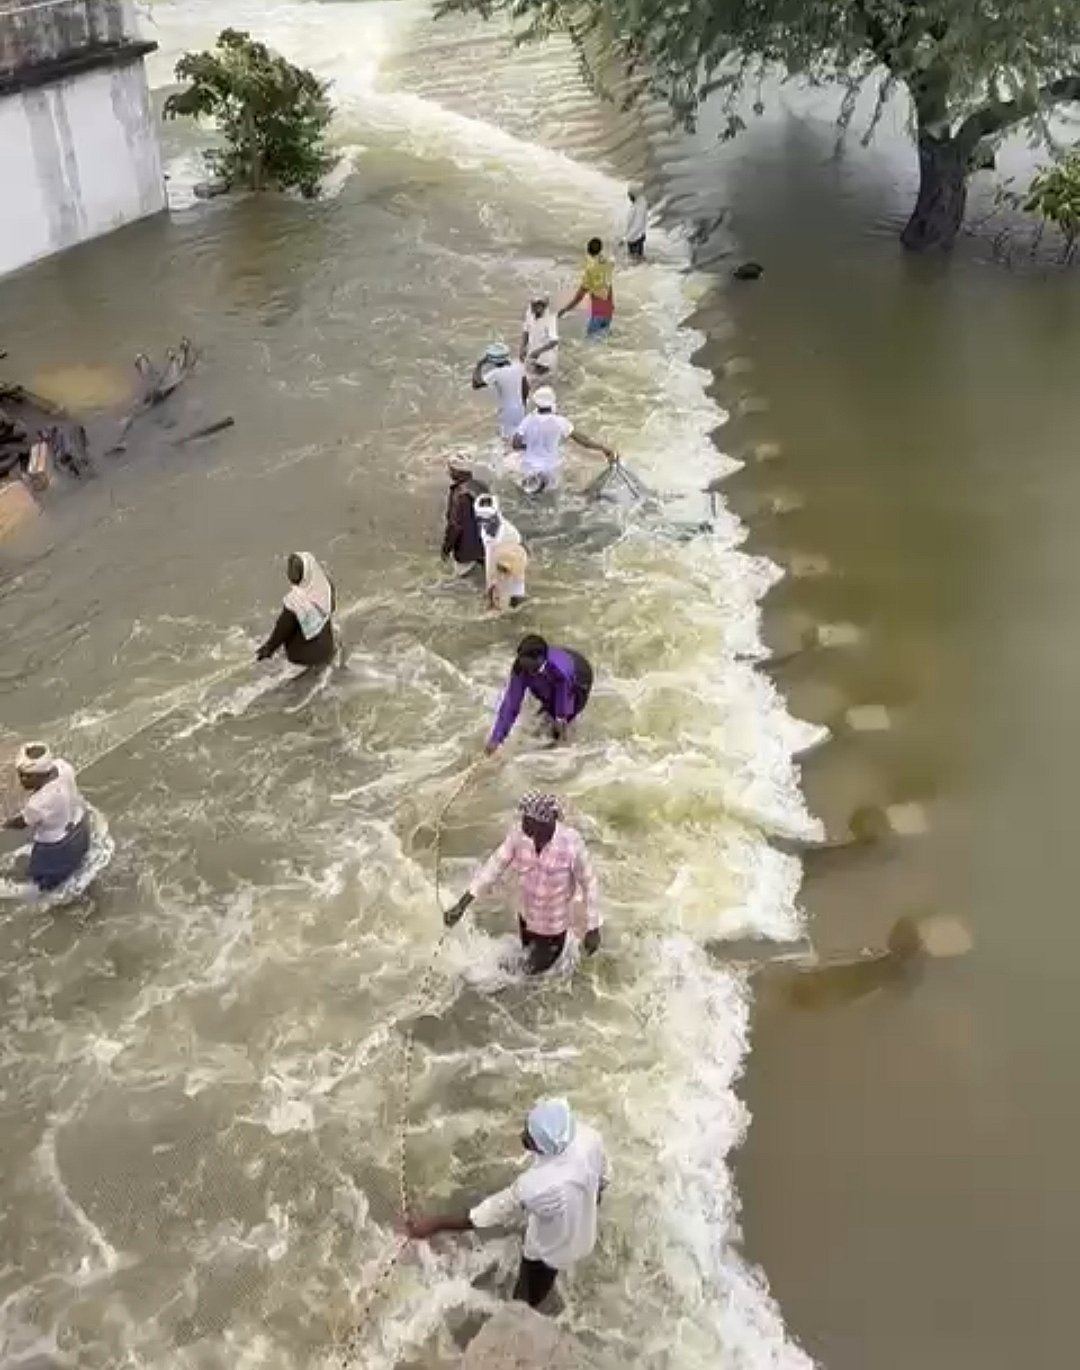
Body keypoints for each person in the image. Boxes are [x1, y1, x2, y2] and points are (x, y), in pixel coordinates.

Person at [407, 1098, 607, 1310]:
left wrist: (436, 1224)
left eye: (529, 1138)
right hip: (585, 1232)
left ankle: (521, 1317)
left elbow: (488, 1213)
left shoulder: (536, 1186)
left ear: (543, 1147)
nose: (522, 1136)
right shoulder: (590, 1138)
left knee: (527, 1293)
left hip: (550, 1250)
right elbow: (603, 1178)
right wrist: (582, 1205)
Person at [444, 791, 602, 973]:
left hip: (553, 926)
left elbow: (589, 883)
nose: (523, 822)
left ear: (543, 823)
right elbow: (493, 867)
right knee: (525, 963)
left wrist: (593, 928)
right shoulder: (518, 836)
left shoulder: (571, 844)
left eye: (528, 820)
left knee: (528, 976)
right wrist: (462, 905)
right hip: (526, 918)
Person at [2, 743, 90, 891]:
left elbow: (23, 822)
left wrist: (5, 823)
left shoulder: (38, 802)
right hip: (79, 828)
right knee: (75, 870)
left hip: (55, 847)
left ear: (42, 774)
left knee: (41, 884)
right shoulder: (63, 767)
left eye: (28, 776)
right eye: (21, 774)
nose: (22, 780)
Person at [486, 634, 594, 753]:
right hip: (556, 662)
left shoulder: (559, 672)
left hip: (579, 676)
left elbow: (563, 703)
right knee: (541, 720)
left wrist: (560, 719)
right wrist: (496, 739)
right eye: (524, 667)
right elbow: (511, 705)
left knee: (557, 732)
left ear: (540, 660)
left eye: (530, 669)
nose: (527, 672)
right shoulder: (521, 668)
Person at [511, 386, 616, 493]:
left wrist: (533, 446)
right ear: (552, 403)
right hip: (550, 469)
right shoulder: (560, 422)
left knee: (528, 491)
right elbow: (584, 442)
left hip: (528, 466)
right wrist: (605, 449)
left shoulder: (528, 420)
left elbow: (515, 445)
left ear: (537, 403)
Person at [256, 552, 337, 668]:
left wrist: (266, 650)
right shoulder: (326, 586)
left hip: (303, 661)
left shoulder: (294, 602)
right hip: (327, 649)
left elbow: (280, 633)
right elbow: (332, 608)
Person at [474, 493, 527, 610]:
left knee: (514, 601)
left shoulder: (509, 534)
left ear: (497, 515)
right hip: (494, 565)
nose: (484, 524)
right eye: (480, 520)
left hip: (510, 570)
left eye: (488, 520)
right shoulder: (484, 530)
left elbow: (521, 555)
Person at [441, 456, 489, 575]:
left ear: (458, 473)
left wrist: (446, 549)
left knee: (460, 584)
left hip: (465, 552)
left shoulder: (458, 495)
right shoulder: (482, 487)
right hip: (486, 547)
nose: (449, 472)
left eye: (451, 470)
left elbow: (455, 526)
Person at [472, 342, 529, 442]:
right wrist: (523, 403)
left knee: (507, 440)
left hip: (506, 411)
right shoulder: (519, 366)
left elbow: (476, 384)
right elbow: (526, 387)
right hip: (520, 408)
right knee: (520, 435)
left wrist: (479, 364)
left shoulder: (496, 373)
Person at [558, 237, 614, 337]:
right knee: (604, 340)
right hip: (608, 310)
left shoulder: (590, 270)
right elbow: (609, 286)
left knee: (590, 342)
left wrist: (565, 309)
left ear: (588, 250)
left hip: (598, 311)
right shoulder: (608, 263)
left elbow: (580, 296)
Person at [519, 296, 559, 377]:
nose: (537, 308)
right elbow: (526, 330)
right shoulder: (530, 314)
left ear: (544, 307)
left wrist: (538, 352)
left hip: (545, 357)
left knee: (539, 378)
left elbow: (554, 341)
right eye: (534, 305)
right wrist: (522, 347)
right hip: (533, 352)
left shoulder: (550, 319)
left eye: (540, 305)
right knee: (530, 377)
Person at [625, 184, 648, 260]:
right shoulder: (642, 205)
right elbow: (643, 221)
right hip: (639, 236)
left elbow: (637, 226)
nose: (629, 197)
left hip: (634, 238)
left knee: (634, 260)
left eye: (629, 195)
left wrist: (625, 239)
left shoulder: (636, 208)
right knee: (638, 259)